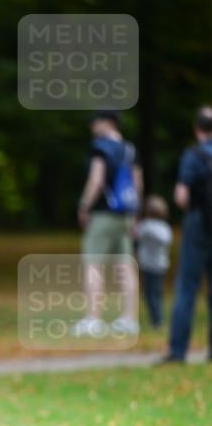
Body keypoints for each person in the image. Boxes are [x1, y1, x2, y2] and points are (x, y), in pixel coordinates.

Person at [71, 111, 143, 338]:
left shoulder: (100, 147)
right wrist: (135, 214)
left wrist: (84, 206)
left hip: (103, 213)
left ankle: (93, 319)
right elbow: (137, 184)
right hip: (126, 214)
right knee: (126, 266)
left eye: (95, 122)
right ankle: (129, 319)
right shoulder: (130, 149)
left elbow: (96, 179)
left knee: (93, 265)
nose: (93, 127)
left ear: (107, 123)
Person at [162, 105, 212, 363]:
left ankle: (178, 350)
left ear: (196, 129)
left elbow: (181, 196)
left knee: (187, 287)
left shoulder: (193, 155)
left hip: (197, 224)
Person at [135, 196, 172, 328]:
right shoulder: (165, 228)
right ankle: (156, 319)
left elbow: (135, 233)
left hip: (148, 266)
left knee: (150, 294)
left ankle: (157, 320)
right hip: (161, 266)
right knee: (156, 294)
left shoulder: (145, 226)